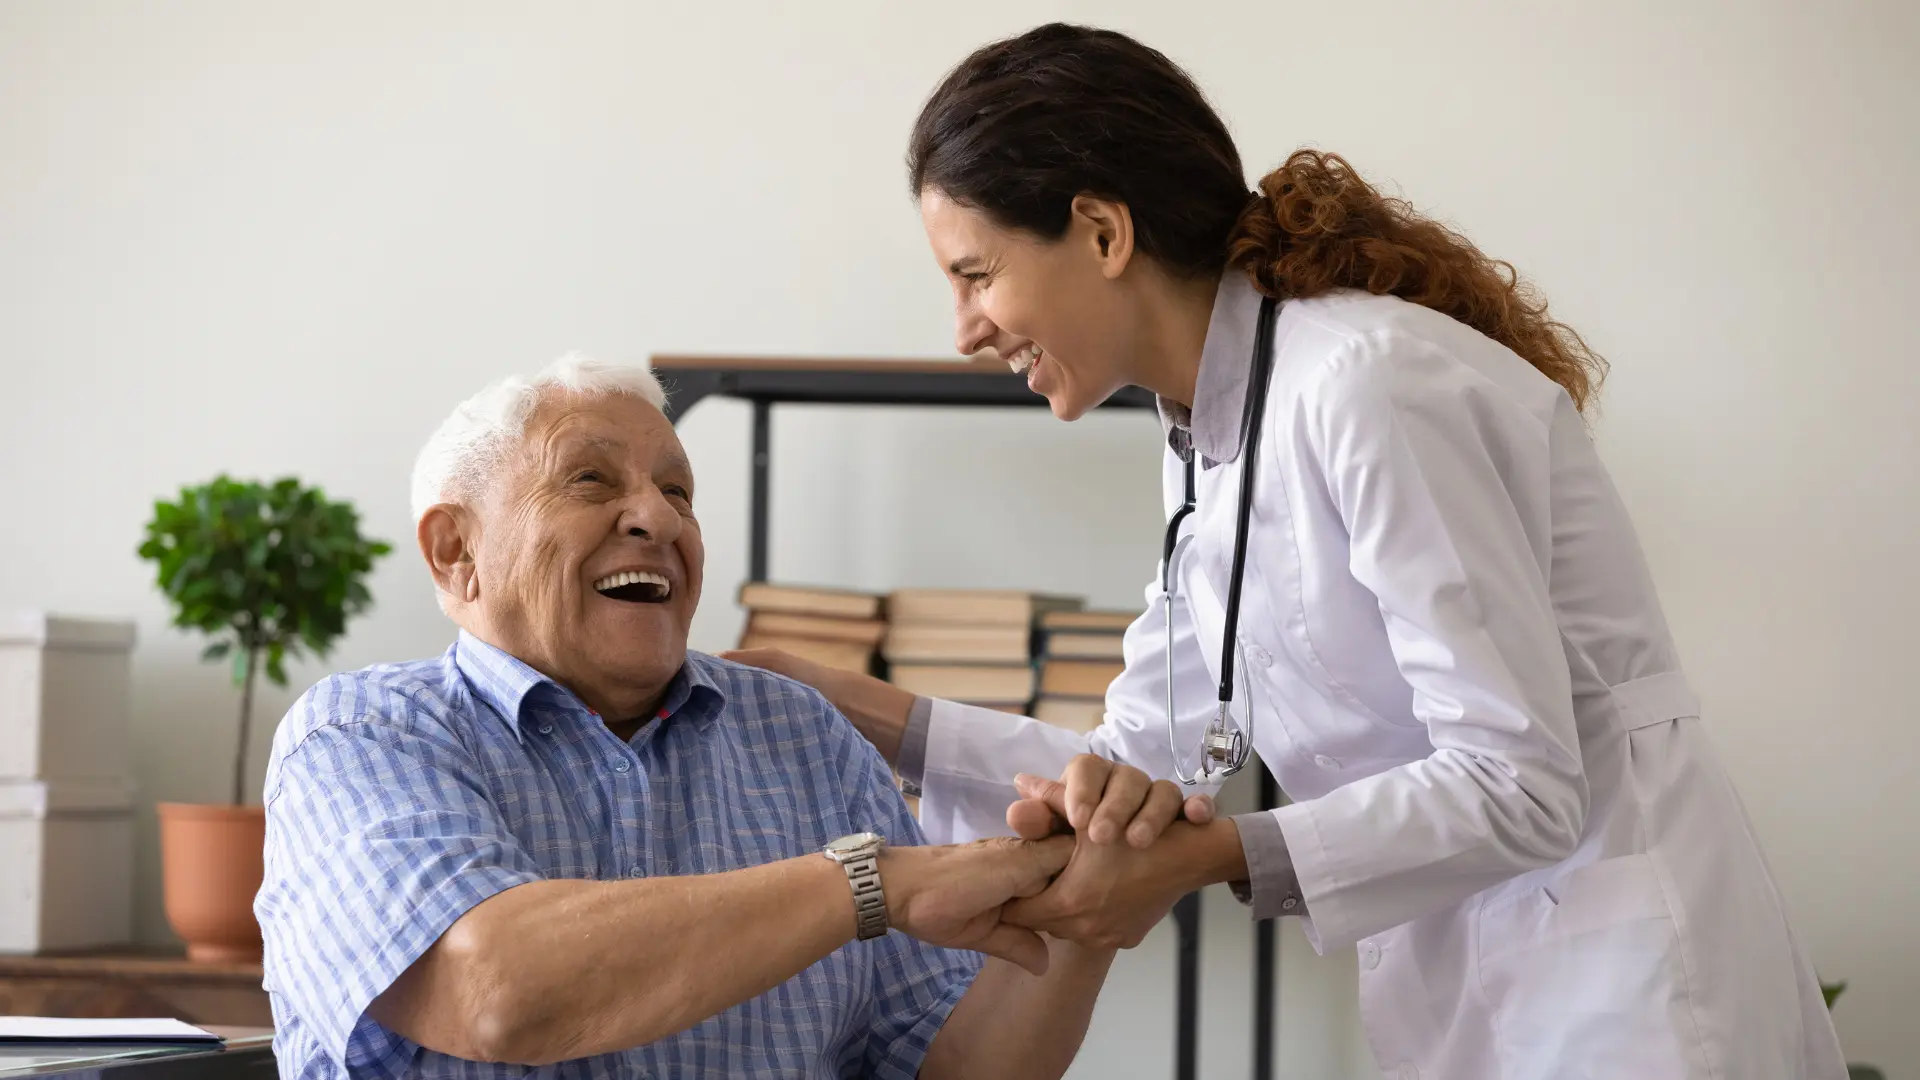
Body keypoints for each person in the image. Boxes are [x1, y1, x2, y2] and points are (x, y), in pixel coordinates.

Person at [726, 22, 1847, 1080]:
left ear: (1104, 233)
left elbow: (1523, 782)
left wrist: (1210, 856)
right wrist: (829, 700)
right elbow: (1135, 753)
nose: (964, 329)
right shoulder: (1209, 439)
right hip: (1481, 975)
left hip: (1621, 985)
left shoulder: (1365, 386)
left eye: (975, 273)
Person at [252, 354, 1125, 1080]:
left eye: (680, 491)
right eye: (590, 479)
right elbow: (499, 992)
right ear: (456, 552)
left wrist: (1087, 913)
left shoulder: (802, 732)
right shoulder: (364, 736)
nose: (656, 516)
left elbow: (946, 1066)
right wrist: (870, 884)